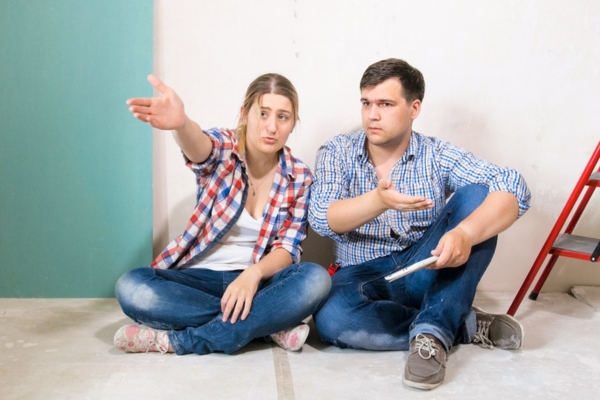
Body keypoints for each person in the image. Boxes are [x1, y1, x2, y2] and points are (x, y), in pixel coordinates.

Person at [308, 58, 531, 390]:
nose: (372, 115)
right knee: (331, 318)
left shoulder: (435, 154)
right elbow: (322, 218)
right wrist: (378, 201)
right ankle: (456, 323)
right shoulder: (337, 151)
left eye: (385, 104)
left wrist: (465, 234)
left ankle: (430, 339)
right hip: (362, 276)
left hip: (425, 268)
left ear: (414, 108)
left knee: (481, 196)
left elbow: (513, 185)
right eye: (366, 103)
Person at [113, 73, 331, 356]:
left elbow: (287, 248)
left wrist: (252, 275)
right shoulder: (225, 148)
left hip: (260, 283)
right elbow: (200, 146)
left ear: (293, 124)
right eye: (263, 113)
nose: (271, 126)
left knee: (316, 279)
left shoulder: (299, 176)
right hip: (197, 281)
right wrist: (181, 124)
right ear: (244, 114)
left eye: (283, 117)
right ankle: (267, 325)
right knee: (132, 288)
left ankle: (178, 341)